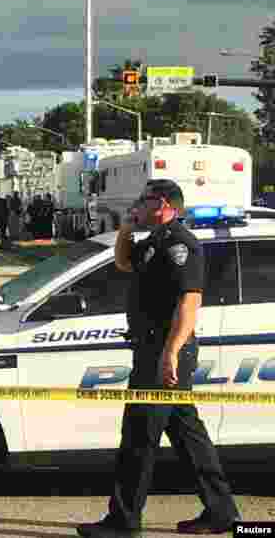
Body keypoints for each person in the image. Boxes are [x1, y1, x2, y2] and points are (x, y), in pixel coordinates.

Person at [77, 180, 240, 538]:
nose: (138, 204)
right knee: (186, 433)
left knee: (139, 434)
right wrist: (125, 229)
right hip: (153, 349)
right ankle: (221, 511)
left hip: (164, 351)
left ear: (163, 203)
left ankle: (124, 521)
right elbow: (123, 262)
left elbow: (189, 301)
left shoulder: (180, 243)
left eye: (144, 200)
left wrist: (171, 353)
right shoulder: (155, 240)